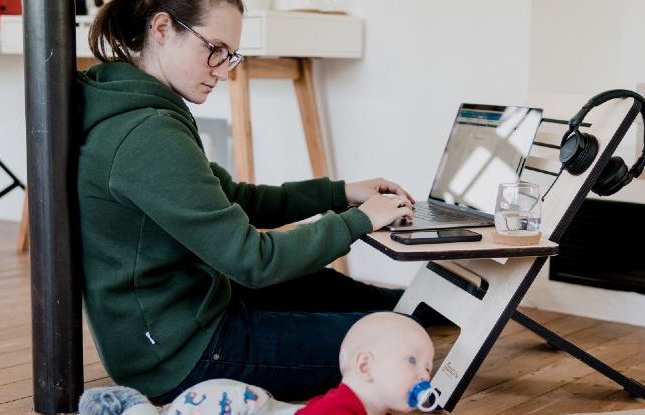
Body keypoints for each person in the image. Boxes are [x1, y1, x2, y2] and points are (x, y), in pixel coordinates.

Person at [77, 0, 417, 405]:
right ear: (162, 29)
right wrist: (359, 221)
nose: (223, 71)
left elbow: (236, 199)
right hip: (181, 356)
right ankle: (414, 322)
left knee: (339, 291)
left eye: (231, 56)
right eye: (214, 49)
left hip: (190, 313)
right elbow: (254, 261)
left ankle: (422, 310)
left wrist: (339, 193)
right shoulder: (146, 132)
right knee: (390, 343)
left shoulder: (135, 103)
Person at [78, 312, 438, 415]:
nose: (425, 373)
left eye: (428, 365)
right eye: (412, 361)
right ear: (365, 366)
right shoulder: (341, 409)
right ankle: (129, 405)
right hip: (224, 406)